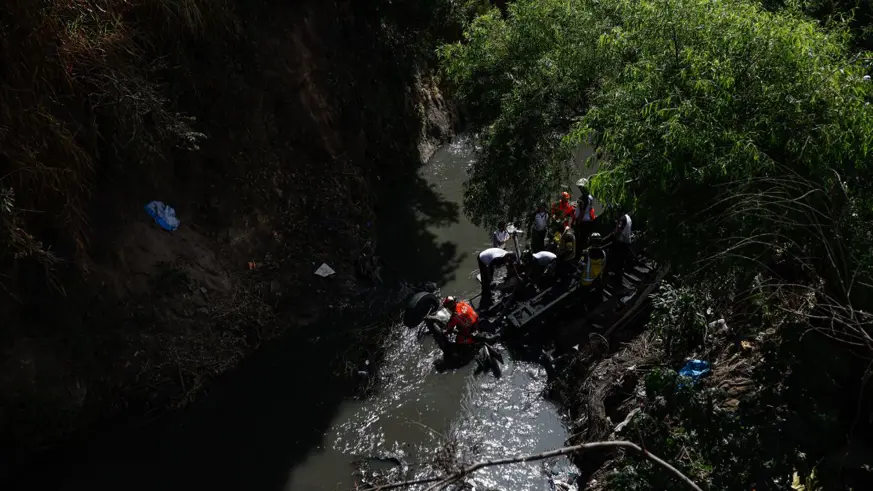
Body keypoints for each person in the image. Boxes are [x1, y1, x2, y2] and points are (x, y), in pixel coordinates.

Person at [604, 213, 633, 290]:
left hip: (620, 243)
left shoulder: (623, 218)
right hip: (625, 244)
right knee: (620, 263)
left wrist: (613, 237)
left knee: (609, 259)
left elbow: (619, 230)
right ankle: (618, 281)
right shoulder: (629, 219)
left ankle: (605, 279)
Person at [579, 232, 607, 309]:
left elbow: (580, 266)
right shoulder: (603, 253)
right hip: (597, 281)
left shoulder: (586, 253)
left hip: (585, 282)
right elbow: (603, 266)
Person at [574, 179, 597, 258]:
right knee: (584, 240)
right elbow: (590, 209)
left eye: (581, 188)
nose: (580, 189)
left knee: (579, 240)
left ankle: (578, 256)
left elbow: (582, 212)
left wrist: (578, 222)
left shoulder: (584, 198)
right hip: (587, 220)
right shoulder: (590, 197)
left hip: (582, 221)